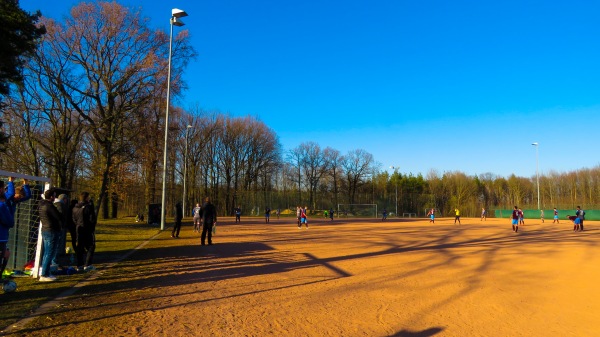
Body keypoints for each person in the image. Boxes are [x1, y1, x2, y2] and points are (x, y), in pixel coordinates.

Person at [39, 188, 62, 281]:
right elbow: (58, 216)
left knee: (46, 253)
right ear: (52, 196)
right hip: (51, 230)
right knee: (49, 253)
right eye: (54, 195)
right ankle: (44, 274)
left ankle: (45, 272)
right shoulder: (50, 206)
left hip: (45, 229)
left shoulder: (41, 204)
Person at [72, 192, 97, 272]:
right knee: (91, 246)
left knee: (80, 247)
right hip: (87, 229)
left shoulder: (75, 208)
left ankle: (79, 265)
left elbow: (74, 219)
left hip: (79, 229)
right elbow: (92, 219)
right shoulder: (88, 207)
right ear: (86, 198)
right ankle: (88, 264)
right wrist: (92, 227)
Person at [52, 194, 69, 267]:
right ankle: (54, 262)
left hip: (55, 228)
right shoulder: (60, 206)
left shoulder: (55, 204)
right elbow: (60, 217)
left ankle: (53, 261)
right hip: (58, 228)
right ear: (64, 199)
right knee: (56, 245)